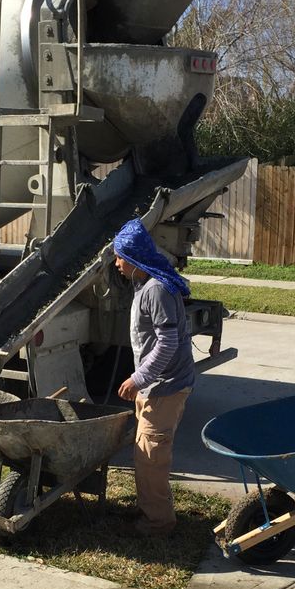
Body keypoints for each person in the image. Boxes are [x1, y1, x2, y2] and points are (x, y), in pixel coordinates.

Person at [113, 218, 195, 537]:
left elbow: (169, 342)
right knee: (145, 453)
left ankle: (159, 523)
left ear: (134, 259)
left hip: (165, 387)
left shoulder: (157, 290)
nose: (116, 263)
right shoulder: (145, 285)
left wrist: (139, 378)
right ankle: (151, 509)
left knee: (151, 457)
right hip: (156, 387)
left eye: (119, 257)